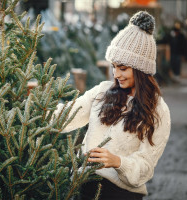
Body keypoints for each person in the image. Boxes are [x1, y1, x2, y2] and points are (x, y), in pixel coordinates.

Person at [54, 11, 171, 200]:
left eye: (123, 68)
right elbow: (67, 115)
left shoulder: (158, 110)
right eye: (114, 66)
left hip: (121, 194)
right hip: (84, 187)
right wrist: (34, 110)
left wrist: (118, 162)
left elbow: (146, 167)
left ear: (141, 70)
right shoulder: (102, 92)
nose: (116, 74)